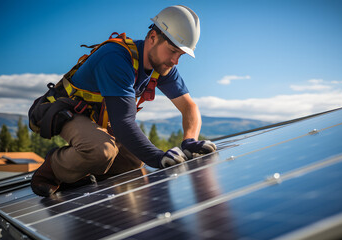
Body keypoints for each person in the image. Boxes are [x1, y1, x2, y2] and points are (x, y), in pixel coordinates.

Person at [31, 5, 217, 197]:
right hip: (69, 111)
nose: (175, 61)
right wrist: (157, 156)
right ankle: (51, 169)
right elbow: (123, 122)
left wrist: (190, 140)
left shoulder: (161, 66)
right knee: (102, 151)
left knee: (134, 162)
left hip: (99, 118)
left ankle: (81, 173)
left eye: (181, 55)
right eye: (172, 51)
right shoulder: (117, 57)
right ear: (153, 38)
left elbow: (189, 107)